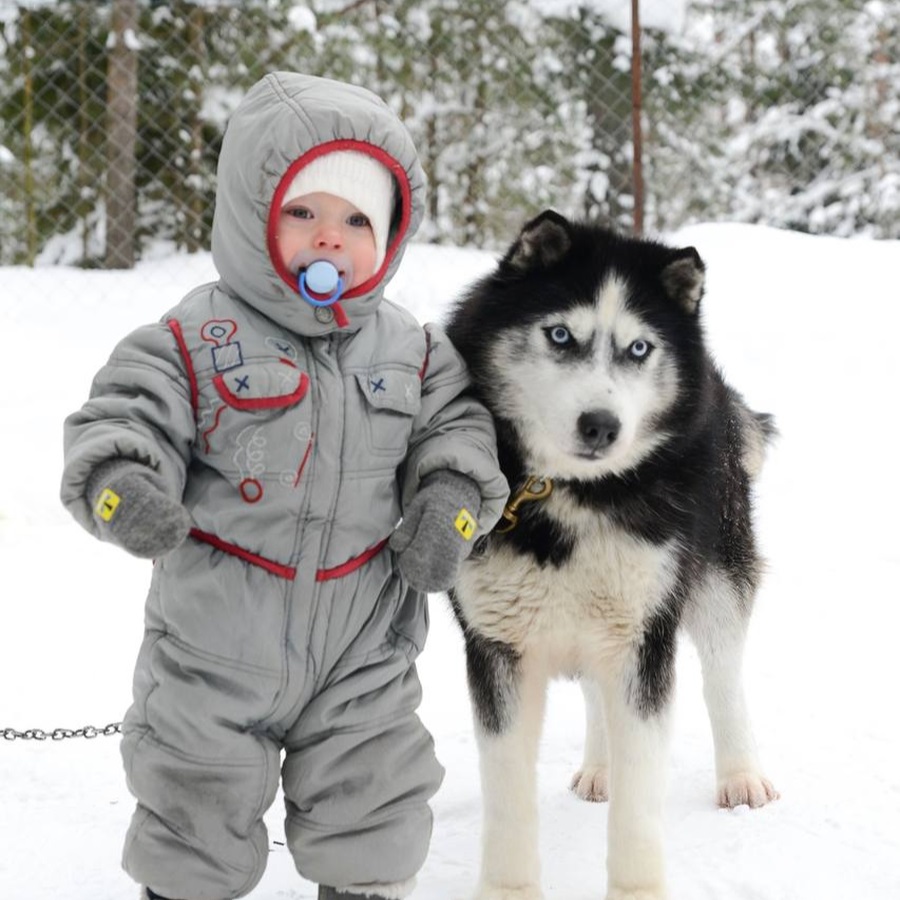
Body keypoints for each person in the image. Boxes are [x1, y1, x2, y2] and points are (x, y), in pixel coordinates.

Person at [60, 71, 509, 900]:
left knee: (373, 793)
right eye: (303, 213)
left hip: (362, 648)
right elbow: (122, 416)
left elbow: (459, 433)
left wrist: (451, 502)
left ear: (391, 237)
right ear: (250, 212)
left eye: (355, 220)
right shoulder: (195, 338)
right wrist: (123, 484)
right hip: (213, 645)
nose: (329, 239)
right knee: (194, 793)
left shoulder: (413, 351)